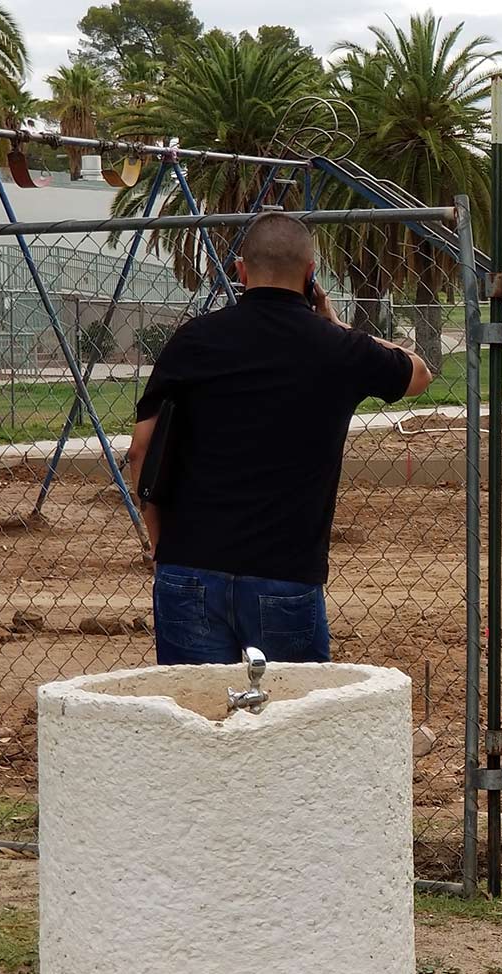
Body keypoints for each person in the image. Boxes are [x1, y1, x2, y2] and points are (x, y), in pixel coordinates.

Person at [127, 212, 433, 664]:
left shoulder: (193, 340)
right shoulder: (339, 349)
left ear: (240, 271)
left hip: (189, 567)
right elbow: (419, 373)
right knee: (293, 723)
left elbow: (140, 451)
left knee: (196, 724)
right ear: (311, 274)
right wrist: (337, 325)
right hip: (284, 576)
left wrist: (160, 542)